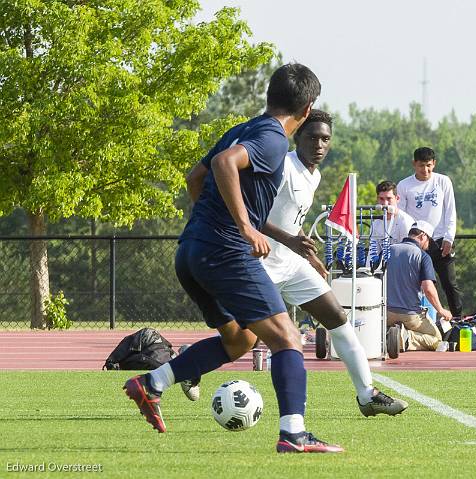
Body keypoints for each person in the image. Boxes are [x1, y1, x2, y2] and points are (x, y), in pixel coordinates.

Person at [123, 63, 344, 453]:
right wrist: (243, 227)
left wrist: (211, 227)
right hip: (225, 251)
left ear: (269, 96)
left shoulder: (241, 129)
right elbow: (225, 165)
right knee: (288, 338)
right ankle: (294, 434)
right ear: (307, 109)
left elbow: (195, 177)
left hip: (192, 250)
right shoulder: (274, 139)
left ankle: (152, 383)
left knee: (240, 340)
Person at [181, 109, 408, 417]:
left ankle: (367, 396)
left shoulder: (314, 175)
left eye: (325, 138)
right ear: (298, 136)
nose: (319, 144)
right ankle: (189, 364)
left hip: (291, 265)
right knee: (242, 341)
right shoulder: (283, 165)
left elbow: (291, 219)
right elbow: (253, 214)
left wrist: (308, 254)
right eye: (312, 137)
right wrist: (288, 240)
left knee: (338, 317)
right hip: (260, 264)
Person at [397, 147, 462, 318]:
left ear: (434, 164)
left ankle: (457, 320)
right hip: (416, 243)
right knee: (413, 283)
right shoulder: (404, 186)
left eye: (428, 165)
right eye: (420, 166)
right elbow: (401, 217)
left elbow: (450, 211)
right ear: (414, 164)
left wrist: (449, 238)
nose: (425, 170)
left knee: (449, 283)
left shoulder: (443, 181)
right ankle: (412, 317)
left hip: (439, 240)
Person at [385, 220, 453, 352]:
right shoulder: (423, 256)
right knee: (437, 339)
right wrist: (441, 310)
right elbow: (428, 288)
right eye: (428, 241)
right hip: (411, 314)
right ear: (423, 236)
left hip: (386, 313)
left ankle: (387, 334)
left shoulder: (388, 250)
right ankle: (405, 338)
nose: (428, 246)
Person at [366, 180, 415, 270]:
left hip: (403, 269)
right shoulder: (376, 223)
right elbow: (373, 252)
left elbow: (409, 252)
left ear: (397, 198)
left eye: (389, 199)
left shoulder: (405, 221)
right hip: (383, 270)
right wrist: (368, 272)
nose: (385, 203)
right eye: (381, 199)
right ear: (377, 199)